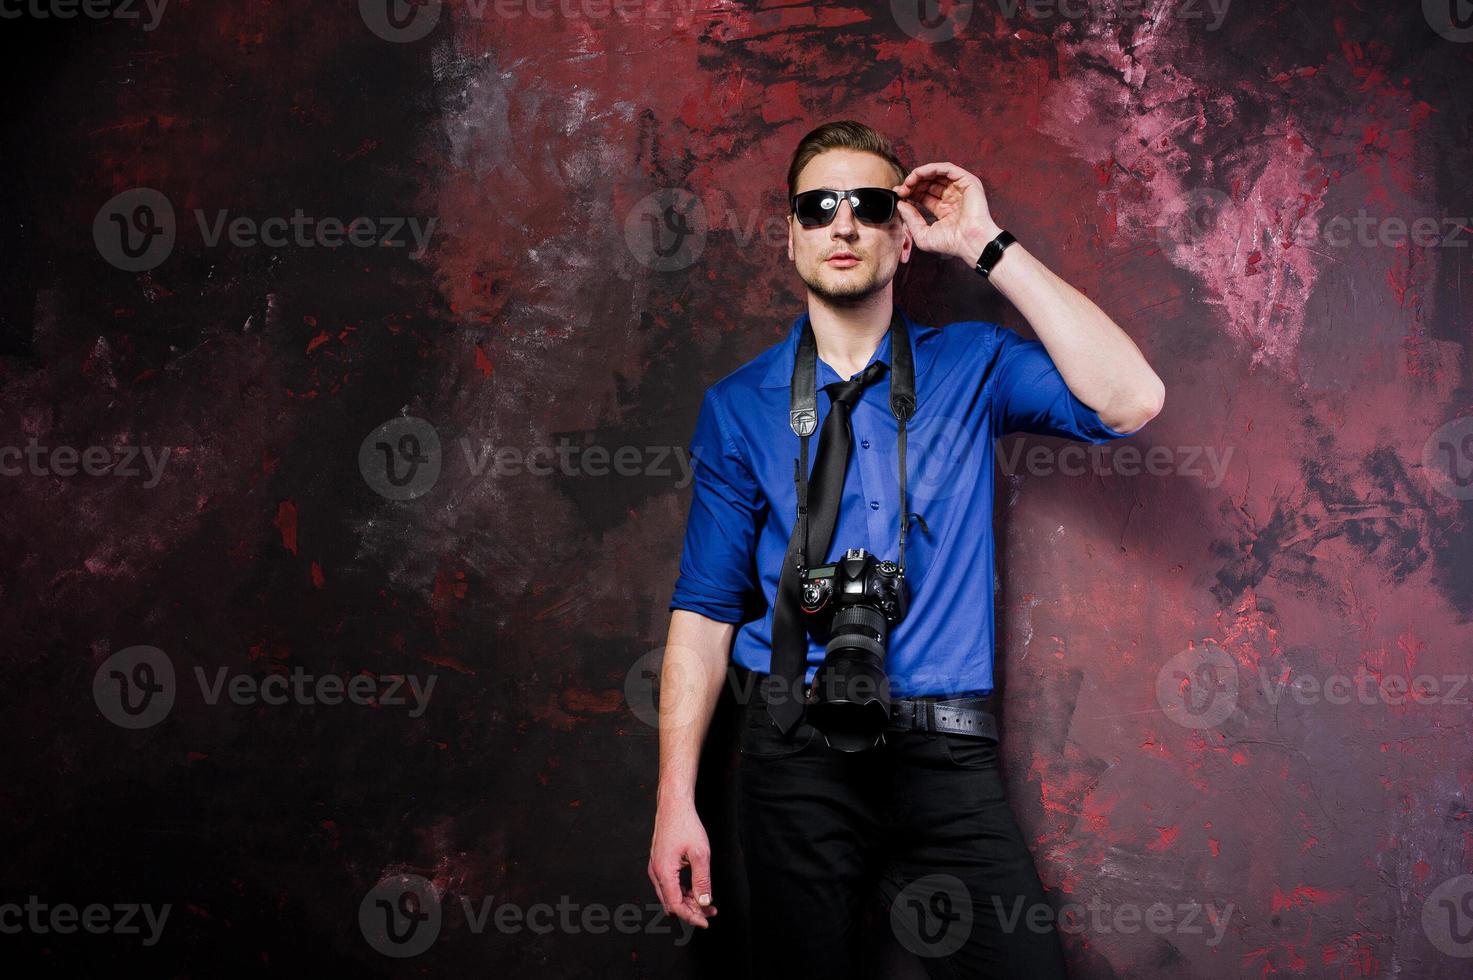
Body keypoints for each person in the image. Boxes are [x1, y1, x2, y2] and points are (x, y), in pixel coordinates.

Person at [647, 119, 1164, 979]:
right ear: (790, 235)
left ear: (903, 233)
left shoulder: (973, 363)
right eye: (817, 207)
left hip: (944, 749)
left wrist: (984, 243)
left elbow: (1131, 399)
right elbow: (702, 610)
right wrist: (673, 801)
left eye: (868, 205)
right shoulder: (738, 406)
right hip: (793, 753)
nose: (841, 225)